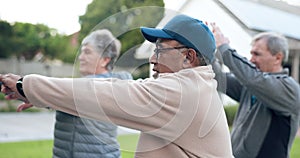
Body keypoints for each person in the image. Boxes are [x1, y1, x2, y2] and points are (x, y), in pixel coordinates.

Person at [0, 14, 234, 158]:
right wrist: (42, 96)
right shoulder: (195, 86)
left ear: (189, 57)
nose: (152, 59)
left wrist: (25, 84)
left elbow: (104, 94)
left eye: (160, 50)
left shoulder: (184, 92)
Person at [210, 23, 300, 158]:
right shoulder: (251, 85)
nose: (251, 59)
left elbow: (252, 78)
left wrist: (224, 47)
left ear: (278, 58)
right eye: (251, 53)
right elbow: (218, 77)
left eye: (257, 54)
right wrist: (206, 50)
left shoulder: (289, 88)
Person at [52, 29, 132, 158]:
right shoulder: (85, 86)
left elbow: (64, 93)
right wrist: (35, 95)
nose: (81, 57)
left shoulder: (103, 88)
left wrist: (30, 90)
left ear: (105, 60)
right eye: (82, 51)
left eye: (87, 52)